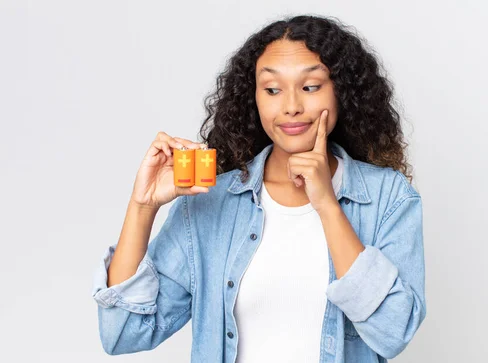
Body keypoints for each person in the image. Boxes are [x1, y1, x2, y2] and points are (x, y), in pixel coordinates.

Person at [92, 14, 426, 363]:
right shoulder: (212, 202)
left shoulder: (388, 198)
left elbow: (394, 331)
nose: (291, 106)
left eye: (310, 87)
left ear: (341, 93)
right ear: (254, 98)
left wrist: (327, 205)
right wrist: (142, 207)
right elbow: (123, 333)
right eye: (272, 89)